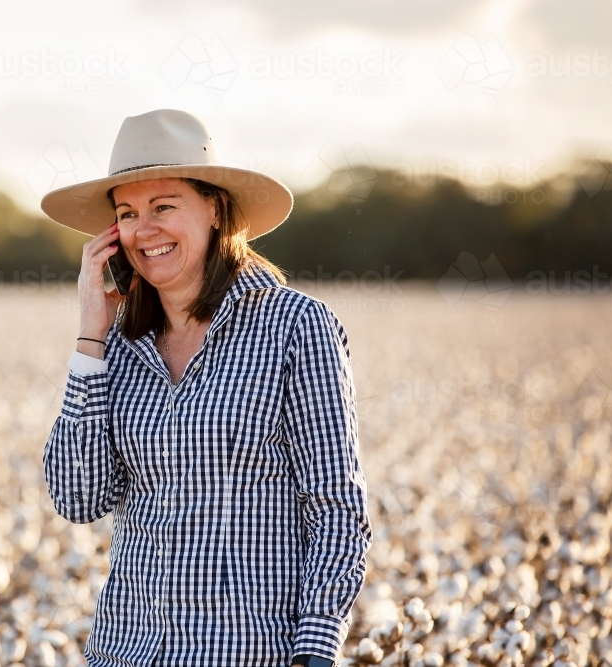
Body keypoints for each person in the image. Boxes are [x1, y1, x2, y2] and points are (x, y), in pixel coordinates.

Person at [40, 109, 372, 667]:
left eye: (164, 206)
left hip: (249, 653)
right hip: (125, 652)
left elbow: (337, 509)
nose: (145, 230)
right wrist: (90, 336)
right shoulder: (116, 345)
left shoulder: (296, 327)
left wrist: (316, 649)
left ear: (214, 209)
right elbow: (78, 498)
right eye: (127, 213)